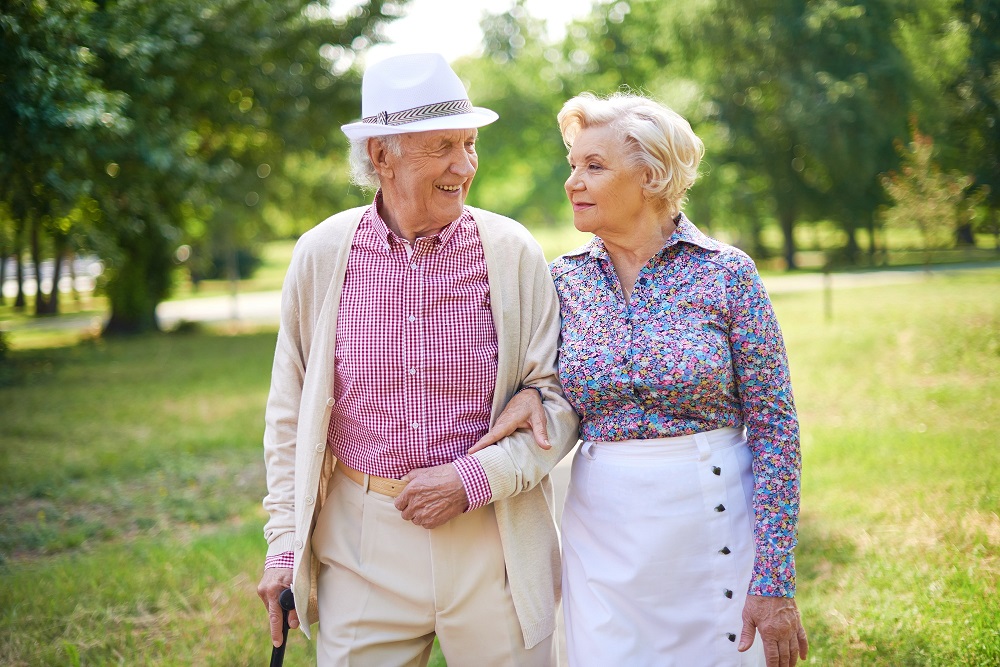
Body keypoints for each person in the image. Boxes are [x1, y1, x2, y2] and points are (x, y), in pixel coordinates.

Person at [255, 53, 579, 666]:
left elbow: (557, 402)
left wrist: (472, 479)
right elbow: (289, 411)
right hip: (361, 541)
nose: (464, 165)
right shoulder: (322, 253)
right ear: (382, 155)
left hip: (493, 538)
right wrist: (282, 546)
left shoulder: (510, 251)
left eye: (469, 143)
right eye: (442, 147)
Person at [473, 92, 808, 667]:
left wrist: (773, 576)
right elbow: (540, 378)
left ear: (651, 176)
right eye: (573, 165)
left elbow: (775, 427)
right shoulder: (562, 282)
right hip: (603, 537)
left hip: (714, 523)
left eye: (593, 166)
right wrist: (531, 392)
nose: (572, 181)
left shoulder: (727, 273)